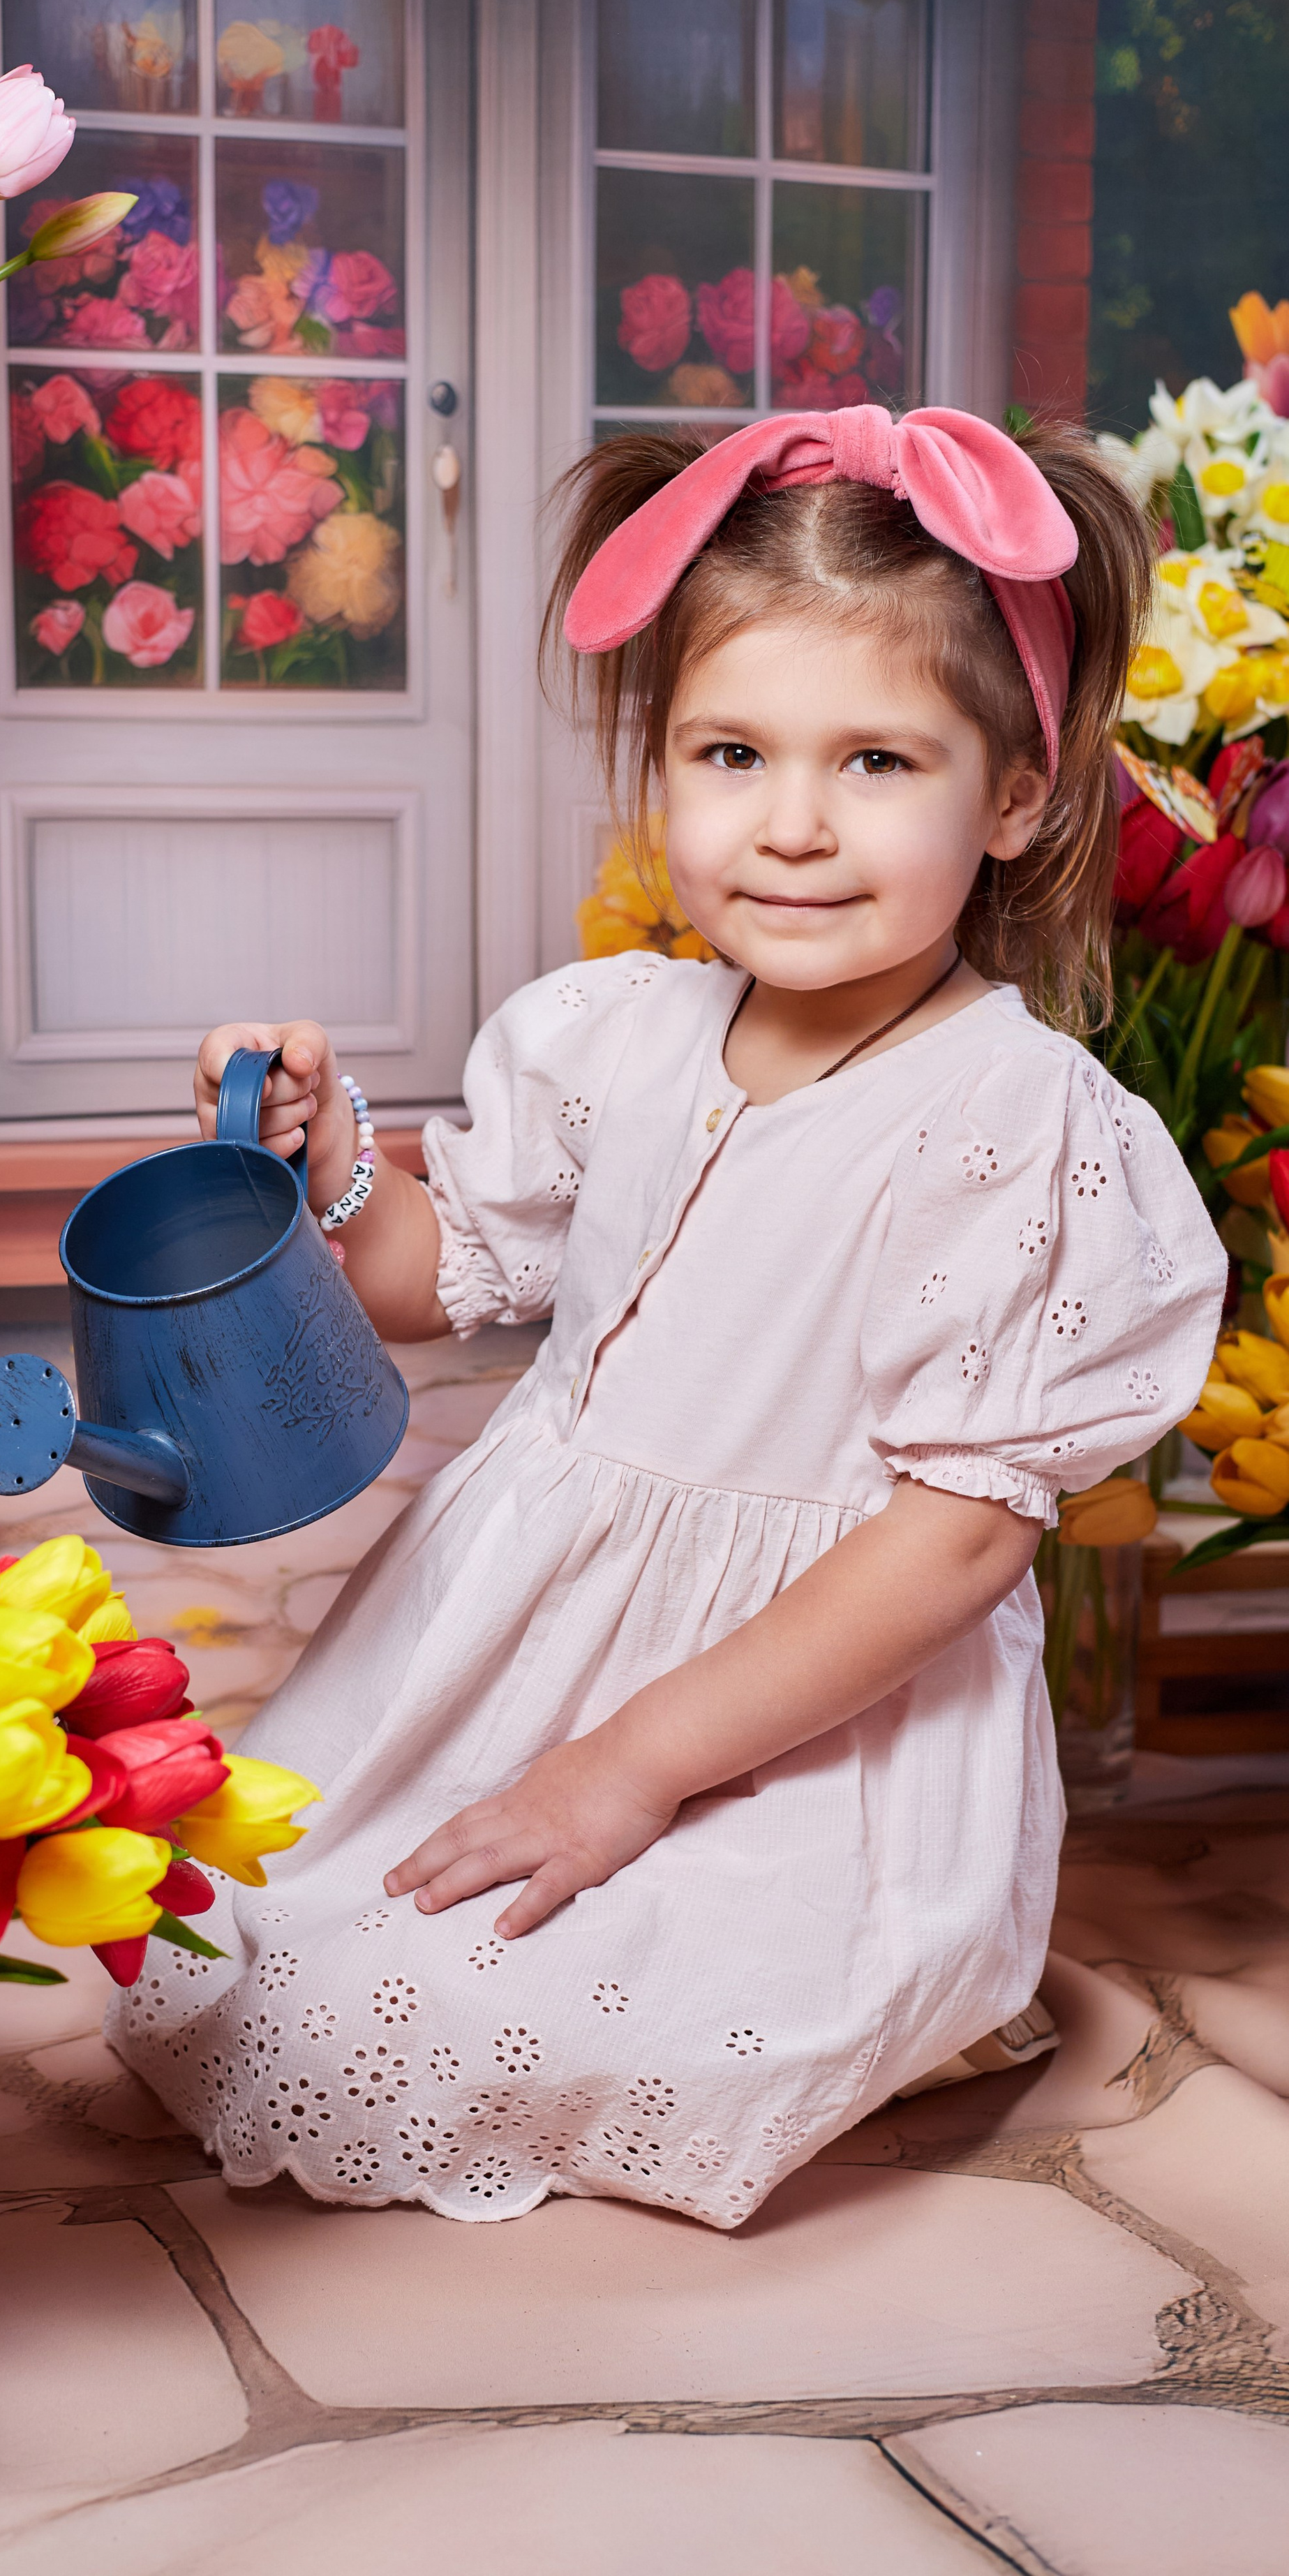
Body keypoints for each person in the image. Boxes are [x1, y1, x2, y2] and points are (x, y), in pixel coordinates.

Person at [108, 404, 1226, 2228]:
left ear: (1014, 795)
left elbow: (950, 1553)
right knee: (244, 1916)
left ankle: (871, 1982)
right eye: (731, 751)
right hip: (524, 1633)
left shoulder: (1022, 1132)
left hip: (808, 1690)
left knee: (559, 2004)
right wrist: (322, 1161)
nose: (791, 826)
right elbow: (423, 1281)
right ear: (660, 769)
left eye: (877, 761)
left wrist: (626, 1775)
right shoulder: (610, 1034)